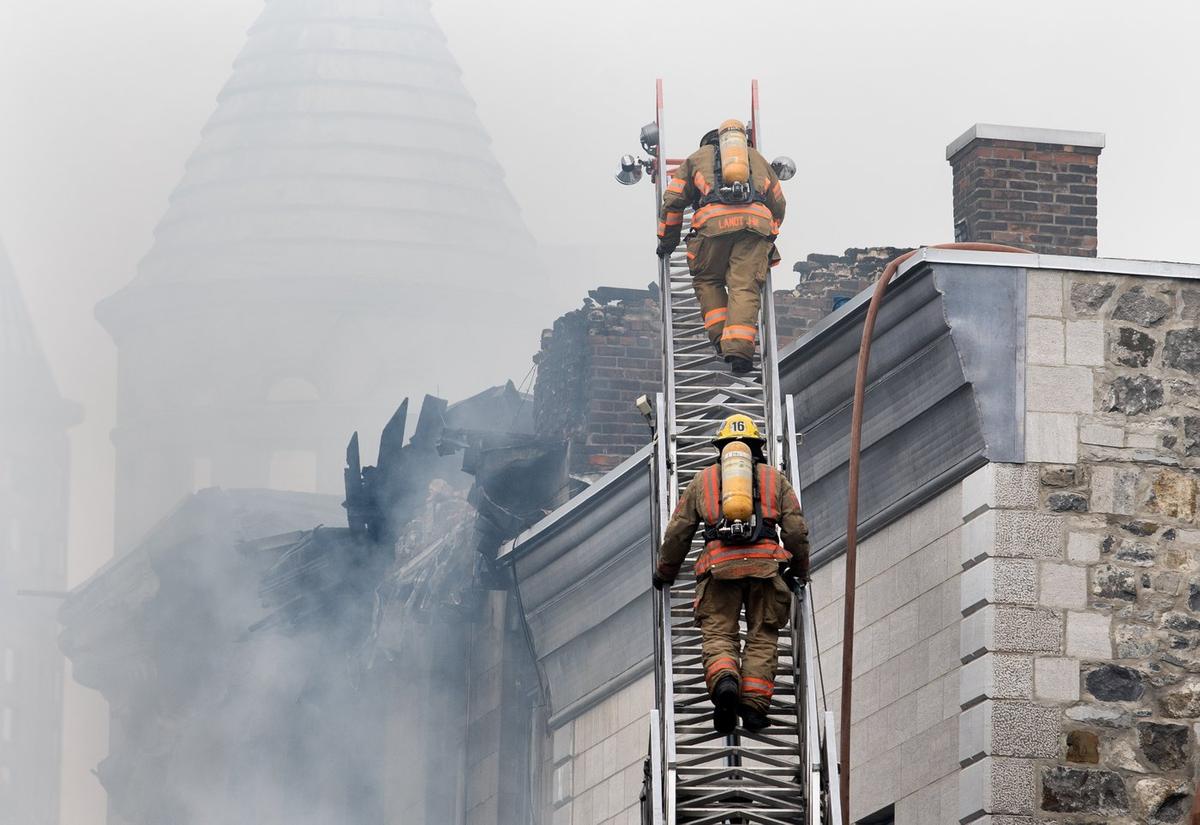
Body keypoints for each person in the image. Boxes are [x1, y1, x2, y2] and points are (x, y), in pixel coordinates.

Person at [652, 414, 809, 733]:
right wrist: (799, 570)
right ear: (758, 448)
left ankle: (725, 681)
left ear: (720, 448)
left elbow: (678, 532)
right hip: (765, 569)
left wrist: (665, 571)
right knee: (762, 636)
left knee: (720, 634)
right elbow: (796, 532)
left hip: (718, 568)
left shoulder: (703, 480)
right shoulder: (774, 479)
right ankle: (752, 706)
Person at [656, 122, 787, 374]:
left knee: (707, 280)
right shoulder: (758, 159)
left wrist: (667, 241)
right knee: (744, 285)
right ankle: (738, 351)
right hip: (753, 227)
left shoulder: (695, 159)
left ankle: (719, 340)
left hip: (712, 227)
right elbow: (779, 204)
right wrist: (769, 237)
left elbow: (672, 202)